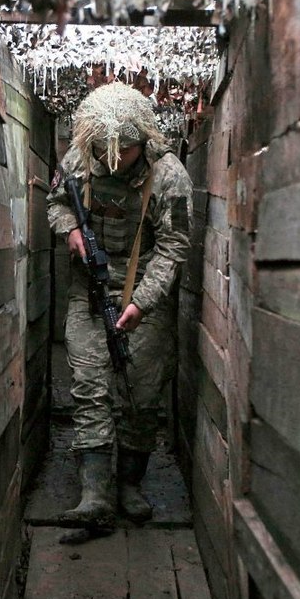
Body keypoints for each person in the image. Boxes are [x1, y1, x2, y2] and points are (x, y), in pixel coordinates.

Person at [46, 81, 193, 525]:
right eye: (102, 151)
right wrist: (71, 230)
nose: (111, 160)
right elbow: (56, 204)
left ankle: (130, 483)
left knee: (141, 396)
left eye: (123, 151)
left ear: (142, 141)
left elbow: (175, 244)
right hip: (88, 295)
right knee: (90, 388)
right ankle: (95, 493)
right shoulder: (79, 158)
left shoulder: (169, 175)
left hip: (143, 298)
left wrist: (142, 303)